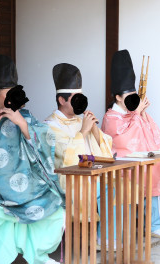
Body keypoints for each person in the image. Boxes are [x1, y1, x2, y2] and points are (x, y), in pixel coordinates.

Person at [0, 55, 65, 264]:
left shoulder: (22, 114)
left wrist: (22, 124)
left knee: (56, 206)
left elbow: (46, 140)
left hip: (23, 179)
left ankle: (38, 253)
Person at [101, 49, 160, 238]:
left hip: (141, 159)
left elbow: (149, 134)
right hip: (122, 163)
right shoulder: (110, 117)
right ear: (118, 97)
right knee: (156, 172)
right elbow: (124, 140)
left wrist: (142, 114)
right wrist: (137, 114)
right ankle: (154, 225)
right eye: (129, 96)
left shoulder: (132, 113)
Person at [44, 63, 115, 246]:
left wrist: (94, 130)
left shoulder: (80, 120)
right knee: (108, 190)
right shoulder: (50, 125)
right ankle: (101, 239)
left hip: (91, 174)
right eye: (75, 99)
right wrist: (83, 132)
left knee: (120, 186)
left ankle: (105, 237)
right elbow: (64, 156)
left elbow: (104, 148)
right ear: (61, 100)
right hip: (70, 180)